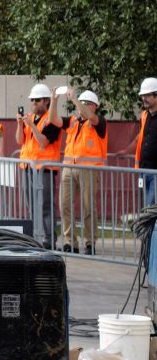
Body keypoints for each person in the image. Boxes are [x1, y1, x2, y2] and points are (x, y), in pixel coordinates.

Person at [51, 88, 107, 255]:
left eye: (86, 103)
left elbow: (90, 116)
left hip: (88, 170)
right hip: (68, 168)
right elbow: (54, 120)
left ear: (95, 106)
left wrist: (75, 99)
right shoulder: (73, 121)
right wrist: (54, 100)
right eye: (82, 103)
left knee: (89, 206)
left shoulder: (98, 121)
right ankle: (70, 242)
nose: (82, 106)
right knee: (65, 205)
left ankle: (90, 243)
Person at [15, 83, 62, 249]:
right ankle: (36, 236)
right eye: (32, 100)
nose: (33, 103)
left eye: (37, 100)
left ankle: (49, 240)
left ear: (46, 101)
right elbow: (19, 140)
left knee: (46, 206)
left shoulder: (53, 120)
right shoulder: (29, 117)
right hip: (28, 167)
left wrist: (32, 126)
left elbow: (43, 141)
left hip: (45, 169)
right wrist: (20, 124)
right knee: (32, 205)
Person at [125, 78, 157, 207]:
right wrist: (127, 150)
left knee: (152, 209)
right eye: (143, 95)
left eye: (148, 95)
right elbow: (141, 137)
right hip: (143, 170)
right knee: (144, 207)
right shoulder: (145, 115)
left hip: (156, 171)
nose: (144, 98)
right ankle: (146, 228)